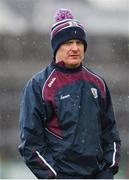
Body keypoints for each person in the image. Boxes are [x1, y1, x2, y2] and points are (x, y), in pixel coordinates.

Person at [18, 9, 121, 179]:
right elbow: (30, 143)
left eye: (79, 43)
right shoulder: (38, 86)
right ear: (56, 46)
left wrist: (108, 170)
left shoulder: (98, 83)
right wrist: (54, 176)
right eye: (68, 42)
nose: (75, 48)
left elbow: (110, 133)